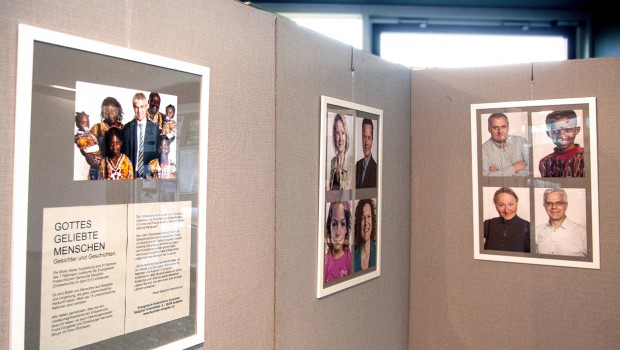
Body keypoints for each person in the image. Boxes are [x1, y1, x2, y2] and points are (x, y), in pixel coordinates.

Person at [535, 188, 587, 257]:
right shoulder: (537, 231)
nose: (554, 207)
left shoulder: (583, 233)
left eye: (559, 203)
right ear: (545, 206)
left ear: (566, 206)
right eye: (549, 203)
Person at [122, 92, 160, 179]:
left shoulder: (154, 128)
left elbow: (156, 154)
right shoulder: (127, 128)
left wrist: (150, 173)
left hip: (148, 174)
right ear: (133, 108)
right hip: (131, 174)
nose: (139, 111)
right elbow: (125, 154)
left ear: (147, 106)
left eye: (142, 107)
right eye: (136, 107)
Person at [539, 110, 585, 177]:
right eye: (555, 131)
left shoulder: (588, 156)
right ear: (549, 134)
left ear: (576, 130)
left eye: (567, 130)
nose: (561, 135)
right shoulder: (545, 162)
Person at [483, 187, 530, 252]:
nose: (506, 210)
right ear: (496, 206)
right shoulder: (488, 224)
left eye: (510, 204)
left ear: (517, 204)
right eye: (501, 205)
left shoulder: (528, 226)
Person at [324, 201, 352, 282]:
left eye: (342, 224)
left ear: (346, 228)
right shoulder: (325, 262)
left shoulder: (350, 260)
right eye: (334, 224)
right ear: (329, 226)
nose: (338, 232)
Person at [328, 114, 354, 190]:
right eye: (337, 133)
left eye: (342, 133)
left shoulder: (352, 165)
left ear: (346, 135)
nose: (340, 139)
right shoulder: (333, 162)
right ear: (334, 136)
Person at [73, 111, 101, 180]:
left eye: (87, 122)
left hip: (101, 164)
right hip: (95, 165)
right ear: (77, 125)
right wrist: (100, 146)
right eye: (83, 123)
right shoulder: (79, 137)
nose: (86, 125)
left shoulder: (90, 133)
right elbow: (87, 149)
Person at [353, 199, 377, 272]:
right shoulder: (352, 256)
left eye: (369, 216)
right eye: (363, 218)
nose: (366, 223)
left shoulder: (378, 253)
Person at [356, 118, 378, 188]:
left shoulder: (376, 169)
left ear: (372, 141)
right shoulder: (357, 165)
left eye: (369, 138)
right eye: (364, 137)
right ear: (362, 138)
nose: (366, 143)